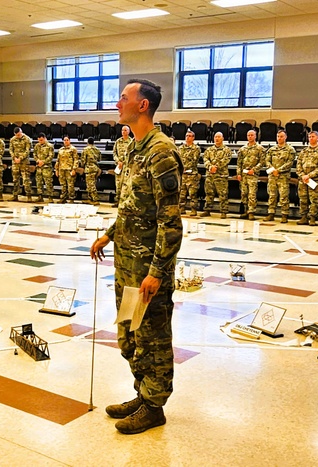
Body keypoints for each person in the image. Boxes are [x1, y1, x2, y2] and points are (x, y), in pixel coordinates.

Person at [90, 78, 182, 435]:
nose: (117, 104)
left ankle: (154, 406)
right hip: (126, 264)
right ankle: (143, 395)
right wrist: (109, 234)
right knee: (130, 334)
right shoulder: (131, 149)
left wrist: (158, 271)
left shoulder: (161, 151)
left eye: (123, 98)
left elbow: (170, 220)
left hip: (147, 269)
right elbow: (132, 207)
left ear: (142, 106)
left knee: (152, 337)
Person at [263, 130, 296, 223]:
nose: (279, 138)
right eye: (278, 136)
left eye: (281, 136)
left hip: (283, 176)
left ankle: (284, 214)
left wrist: (279, 170)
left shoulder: (290, 149)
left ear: (285, 137)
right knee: (272, 195)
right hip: (272, 176)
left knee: (283, 196)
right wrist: (273, 169)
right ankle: (271, 214)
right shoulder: (272, 149)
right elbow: (267, 161)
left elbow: (290, 163)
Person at [296, 131, 318, 226]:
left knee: (314, 200)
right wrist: (302, 175)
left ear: (317, 138)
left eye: (312, 136)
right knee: (303, 199)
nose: (310, 138)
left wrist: (309, 176)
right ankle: (304, 217)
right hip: (303, 180)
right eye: (309, 137)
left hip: (314, 180)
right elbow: (299, 164)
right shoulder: (303, 151)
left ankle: (312, 218)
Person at [199, 132, 232, 219]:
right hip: (210, 175)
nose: (217, 139)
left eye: (219, 137)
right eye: (215, 137)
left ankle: (223, 211)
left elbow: (226, 160)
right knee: (209, 193)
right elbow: (205, 159)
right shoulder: (209, 150)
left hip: (221, 176)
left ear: (222, 138)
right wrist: (210, 166)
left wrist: (215, 167)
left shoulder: (227, 150)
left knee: (223, 194)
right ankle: (207, 210)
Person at [236, 130, 264, 220]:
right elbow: (239, 162)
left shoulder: (260, 148)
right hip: (244, 175)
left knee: (252, 194)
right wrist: (238, 173)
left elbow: (262, 162)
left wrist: (254, 170)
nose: (250, 137)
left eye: (252, 135)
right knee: (244, 194)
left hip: (253, 175)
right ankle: (245, 211)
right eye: (248, 135)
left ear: (255, 136)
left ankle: (251, 212)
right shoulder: (243, 149)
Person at [178, 130, 201, 215]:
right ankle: (181, 208)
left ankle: (193, 209)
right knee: (182, 193)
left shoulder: (196, 148)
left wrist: (185, 167)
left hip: (192, 174)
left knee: (193, 194)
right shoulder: (181, 148)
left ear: (193, 138)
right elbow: (178, 159)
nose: (188, 137)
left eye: (190, 136)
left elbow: (194, 160)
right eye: (187, 135)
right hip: (183, 174)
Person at [9, 127, 34, 202]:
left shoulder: (27, 139)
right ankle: (15, 195)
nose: (18, 136)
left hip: (24, 163)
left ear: (21, 132)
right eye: (17, 135)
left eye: (19, 134)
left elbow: (28, 151)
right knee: (15, 180)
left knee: (26, 180)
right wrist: (14, 157)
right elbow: (11, 150)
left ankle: (29, 196)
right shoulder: (12, 139)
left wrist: (21, 158)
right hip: (15, 163)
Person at [112, 125, 135, 207]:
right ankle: (118, 201)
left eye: (125, 130)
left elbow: (133, 154)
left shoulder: (131, 142)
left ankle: (125, 203)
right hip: (119, 166)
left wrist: (124, 162)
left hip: (127, 167)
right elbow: (114, 153)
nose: (123, 132)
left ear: (129, 131)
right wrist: (118, 161)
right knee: (118, 185)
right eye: (122, 130)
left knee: (126, 185)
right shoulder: (118, 141)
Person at [56, 136, 79, 202]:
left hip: (69, 169)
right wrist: (57, 169)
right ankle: (63, 198)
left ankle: (71, 198)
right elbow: (58, 160)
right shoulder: (60, 150)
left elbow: (76, 160)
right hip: (61, 169)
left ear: (69, 140)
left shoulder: (73, 149)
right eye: (64, 140)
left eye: (67, 140)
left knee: (70, 185)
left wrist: (74, 169)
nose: (65, 141)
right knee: (63, 185)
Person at [34, 133, 55, 202]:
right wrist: (37, 160)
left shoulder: (50, 146)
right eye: (39, 140)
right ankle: (40, 196)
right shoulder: (37, 146)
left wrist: (43, 162)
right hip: (39, 167)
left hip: (47, 167)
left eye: (42, 140)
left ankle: (50, 197)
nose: (40, 141)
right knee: (39, 182)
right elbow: (34, 154)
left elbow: (51, 156)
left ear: (45, 138)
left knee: (48, 182)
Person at [80, 137, 102, 205]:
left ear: (87, 142)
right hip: (95, 168)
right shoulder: (97, 149)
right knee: (92, 184)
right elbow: (99, 159)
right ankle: (90, 198)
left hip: (89, 168)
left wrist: (82, 166)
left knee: (90, 185)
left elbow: (83, 160)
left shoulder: (85, 149)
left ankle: (95, 199)